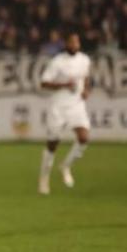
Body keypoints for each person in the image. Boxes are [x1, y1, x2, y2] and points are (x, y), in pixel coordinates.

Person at [38, 31, 91, 195]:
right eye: (71, 42)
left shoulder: (84, 60)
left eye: (77, 42)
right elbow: (44, 83)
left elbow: (85, 77)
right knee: (53, 143)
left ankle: (66, 166)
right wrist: (63, 85)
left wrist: (86, 90)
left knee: (83, 138)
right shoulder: (57, 62)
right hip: (58, 106)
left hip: (76, 105)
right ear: (66, 44)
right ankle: (44, 177)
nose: (74, 45)